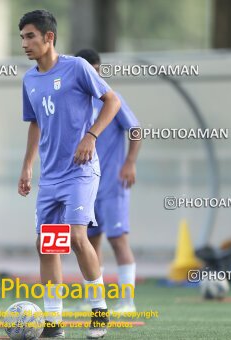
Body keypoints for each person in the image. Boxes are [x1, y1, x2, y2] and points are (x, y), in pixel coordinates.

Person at [17, 10, 121, 339]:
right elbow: (35, 122)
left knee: (77, 238)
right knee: (47, 245)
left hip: (80, 172)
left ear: (50, 38)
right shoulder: (29, 80)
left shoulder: (76, 67)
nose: (25, 43)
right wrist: (27, 165)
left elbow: (112, 101)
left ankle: (99, 311)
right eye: (21, 37)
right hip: (50, 176)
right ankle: (53, 323)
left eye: (30, 36)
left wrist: (91, 136)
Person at [75, 49, 141, 313]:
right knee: (90, 243)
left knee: (118, 240)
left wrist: (130, 163)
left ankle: (127, 302)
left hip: (112, 184)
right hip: (86, 186)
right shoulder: (77, 101)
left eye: (93, 71)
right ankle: (93, 301)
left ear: (99, 71)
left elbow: (135, 130)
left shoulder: (112, 99)